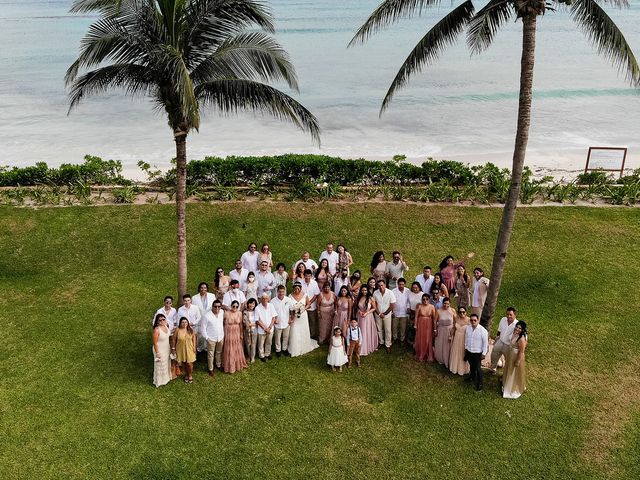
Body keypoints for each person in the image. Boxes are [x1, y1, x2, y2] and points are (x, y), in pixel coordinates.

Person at [287, 282, 319, 357]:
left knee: (303, 329)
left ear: (300, 288)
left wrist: (303, 308)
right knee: (295, 330)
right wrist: (292, 315)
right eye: (295, 288)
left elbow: (309, 304)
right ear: (293, 288)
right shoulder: (290, 296)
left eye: (298, 288)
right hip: (294, 316)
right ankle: (295, 346)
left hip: (303, 315)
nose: (297, 290)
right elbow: (290, 307)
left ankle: (304, 345)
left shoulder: (305, 295)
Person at [502, 321, 528, 399]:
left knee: (513, 372)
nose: (517, 329)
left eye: (520, 328)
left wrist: (517, 361)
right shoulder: (514, 333)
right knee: (508, 368)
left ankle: (512, 388)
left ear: (522, 330)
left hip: (516, 356)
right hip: (511, 355)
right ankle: (505, 383)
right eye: (517, 327)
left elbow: (521, 351)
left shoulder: (522, 339)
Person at [464, 313, 488, 391]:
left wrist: (483, 353)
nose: (473, 322)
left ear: (478, 320)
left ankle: (480, 383)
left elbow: (485, 343)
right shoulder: (468, 328)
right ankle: (472, 377)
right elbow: (466, 339)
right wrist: (466, 348)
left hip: (478, 353)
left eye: (475, 320)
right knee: (471, 366)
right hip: (469, 351)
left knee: (478, 368)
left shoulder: (483, 331)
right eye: (471, 320)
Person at [490, 307, 519, 372]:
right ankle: (493, 369)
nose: (508, 316)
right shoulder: (503, 319)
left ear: (515, 315)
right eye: (507, 314)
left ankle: (506, 373)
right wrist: (496, 339)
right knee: (494, 355)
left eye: (510, 315)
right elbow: (499, 330)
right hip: (500, 341)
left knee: (508, 360)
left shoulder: (517, 325)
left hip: (508, 345)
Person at [223, 299, 247, 374]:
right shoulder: (226, 313)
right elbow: (223, 323)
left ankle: (236, 364)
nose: (235, 308)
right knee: (229, 347)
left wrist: (241, 334)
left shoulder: (239, 313)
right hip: (228, 332)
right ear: (231, 306)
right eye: (233, 306)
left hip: (236, 332)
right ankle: (229, 365)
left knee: (236, 346)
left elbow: (240, 324)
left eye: (237, 306)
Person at [373, 279, 396, 352]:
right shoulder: (375, 293)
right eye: (379, 286)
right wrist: (379, 313)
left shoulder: (390, 293)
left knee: (388, 330)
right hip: (378, 314)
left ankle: (388, 344)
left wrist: (385, 314)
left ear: (385, 285)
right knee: (379, 329)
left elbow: (392, 305)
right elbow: (374, 305)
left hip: (387, 315)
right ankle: (381, 342)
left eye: (382, 285)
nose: (380, 287)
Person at [192, 282, 216, 352]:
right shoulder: (194, 298)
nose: (203, 289)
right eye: (201, 288)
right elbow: (194, 310)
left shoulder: (212, 296)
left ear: (207, 289)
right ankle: (199, 349)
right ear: (199, 289)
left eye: (205, 288)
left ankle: (207, 349)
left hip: (209, 319)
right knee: (200, 336)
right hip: (200, 319)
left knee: (208, 334)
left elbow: (214, 307)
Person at [355, 285, 378, 356]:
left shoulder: (371, 298)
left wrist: (367, 313)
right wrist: (359, 312)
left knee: (366, 331)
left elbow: (374, 308)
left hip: (368, 317)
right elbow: (357, 307)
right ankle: (358, 346)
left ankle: (366, 347)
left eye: (365, 290)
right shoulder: (359, 298)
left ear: (367, 291)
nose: (364, 292)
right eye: (362, 290)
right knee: (360, 331)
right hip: (360, 316)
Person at [203, 301, 225, 375]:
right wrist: (207, 338)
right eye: (215, 306)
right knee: (210, 354)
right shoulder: (207, 316)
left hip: (220, 337)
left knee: (219, 352)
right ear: (212, 306)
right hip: (211, 338)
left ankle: (218, 364)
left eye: (219, 306)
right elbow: (203, 328)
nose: (217, 308)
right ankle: (210, 368)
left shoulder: (222, 312)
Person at [172, 317, 196, 384]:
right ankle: (186, 374)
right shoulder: (177, 330)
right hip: (180, 348)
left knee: (189, 363)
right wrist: (173, 348)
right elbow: (174, 339)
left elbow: (194, 337)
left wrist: (194, 346)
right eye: (182, 322)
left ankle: (190, 374)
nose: (184, 323)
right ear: (180, 323)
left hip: (189, 348)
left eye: (186, 322)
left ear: (187, 323)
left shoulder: (190, 329)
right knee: (183, 362)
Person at [271, 285, 293, 357]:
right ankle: (278, 350)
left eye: (283, 292)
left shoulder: (288, 300)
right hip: (277, 322)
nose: (281, 293)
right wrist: (274, 320)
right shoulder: (273, 301)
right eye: (280, 292)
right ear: (277, 292)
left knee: (285, 336)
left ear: (285, 292)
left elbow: (291, 310)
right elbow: (271, 312)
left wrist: (290, 318)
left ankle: (284, 349)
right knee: (277, 337)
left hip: (286, 321)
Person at [255, 292, 277, 362]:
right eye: (263, 298)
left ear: (268, 299)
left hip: (270, 329)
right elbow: (257, 320)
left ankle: (267, 354)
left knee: (269, 342)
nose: (264, 300)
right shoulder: (257, 308)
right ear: (261, 299)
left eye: (266, 298)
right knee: (261, 343)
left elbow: (274, 317)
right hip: (262, 330)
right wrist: (265, 328)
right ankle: (261, 355)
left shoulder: (271, 306)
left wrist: (269, 328)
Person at [414, 293, 436, 362]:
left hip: (429, 324)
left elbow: (434, 318)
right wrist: (415, 325)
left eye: (427, 299)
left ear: (429, 300)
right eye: (423, 299)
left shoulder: (432, 307)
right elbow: (416, 317)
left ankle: (428, 353)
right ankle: (421, 352)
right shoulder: (419, 306)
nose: (425, 301)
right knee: (421, 337)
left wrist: (434, 327)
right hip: (421, 324)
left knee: (428, 338)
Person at [449, 306, 470, 376]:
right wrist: (450, 335)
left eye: (463, 312)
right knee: (456, 352)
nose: (462, 313)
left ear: (466, 312)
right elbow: (453, 328)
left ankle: (463, 369)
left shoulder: (469, 320)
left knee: (462, 352)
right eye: (460, 312)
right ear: (458, 313)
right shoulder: (456, 318)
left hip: (464, 338)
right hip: (457, 338)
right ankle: (455, 368)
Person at [152, 314, 172, 387]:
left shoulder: (166, 326)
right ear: (157, 322)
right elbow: (155, 343)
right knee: (160, 365)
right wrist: (157, 353)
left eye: (164, 319)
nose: (162, 321)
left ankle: (166, 379)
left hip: (167, 348)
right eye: (160, 320)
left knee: (166, 363)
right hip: (159, 349)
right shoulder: (156, 330)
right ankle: (159, 381)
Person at [434, 297, 455, 367]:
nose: (446, 305)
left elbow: (456, 320)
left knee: (448, 345)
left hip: (449, 330)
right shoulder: (439, 311)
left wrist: (453, 331)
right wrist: (435, 330)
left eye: (448, 304)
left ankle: (448, 359)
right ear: (442, 303)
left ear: (450, 304)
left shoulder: (452, 310)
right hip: (441, 330)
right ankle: (440, 358)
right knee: (440, 344)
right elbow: (435, 321)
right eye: (445, 303)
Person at [301, 269, 320, 339]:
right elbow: (299, 294)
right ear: (304, 276)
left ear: (311, 276)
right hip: (303, 305)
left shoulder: (314, 283)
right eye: (306, 276)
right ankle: (304, 335)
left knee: (312, 321)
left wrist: (309, 303)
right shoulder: (300, 283)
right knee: (304, 321)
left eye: (309, 276)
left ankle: (312, 335)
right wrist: (305, 303)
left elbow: (316, 294)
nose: (307, 278)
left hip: (312, 306)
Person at [392, 278, 410, 345]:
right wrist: (392, 312)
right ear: (397, 284)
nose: (401, 286)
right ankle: (395, 338)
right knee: (394, 327)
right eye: (400, 284)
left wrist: (408, 308)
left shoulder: (408, 291)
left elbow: (408, 301)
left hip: (404, 313)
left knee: (403, 327)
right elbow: (391, 302)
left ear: (405, 284)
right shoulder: (393, 291)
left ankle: (402, 339)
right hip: (395, 312)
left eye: (402, 284)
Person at [242, 299, 258, 363]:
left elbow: (258, 321)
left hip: (254, 330)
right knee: (248, 343)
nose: (251, 305)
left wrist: (251, 324)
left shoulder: (256, 311)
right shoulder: (245, 312)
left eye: (253, 304)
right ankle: (249, 355)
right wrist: (250, 325)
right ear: (248, 304)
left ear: (255, 305)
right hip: (247, 330)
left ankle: (253, 357)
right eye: (250, 303)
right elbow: (244, 321)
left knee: (253, 343)